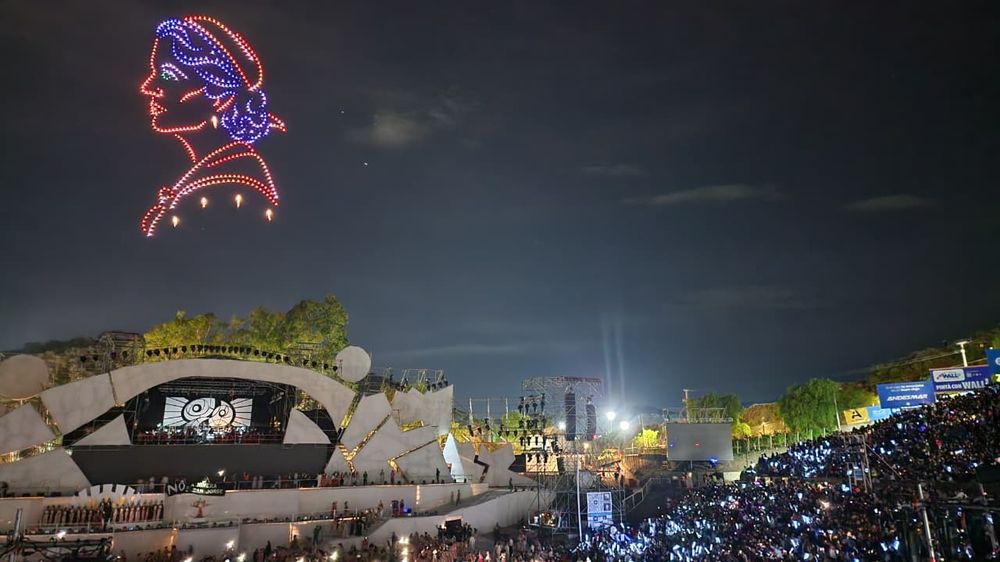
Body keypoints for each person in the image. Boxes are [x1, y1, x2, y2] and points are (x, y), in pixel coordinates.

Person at [138, 16, 286, 237]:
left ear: (220, 97)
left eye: (169, 76)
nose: (149, 87)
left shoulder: (227, 195)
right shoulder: (213, 179)